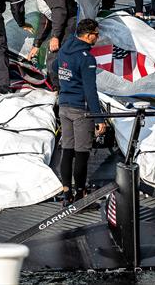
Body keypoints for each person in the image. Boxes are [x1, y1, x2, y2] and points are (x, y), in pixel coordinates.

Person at [56, 19, 107, 204]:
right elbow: (90, 90)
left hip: (64, 106)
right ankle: (80, 194)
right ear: (88, 35)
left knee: (67, 150)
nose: (98, 37)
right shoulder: (86, 58)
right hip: (80, 110)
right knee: (82, 152)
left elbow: (55, 69)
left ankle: (66, 192)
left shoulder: (65, 49)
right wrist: (99, 119)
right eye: (96, 34)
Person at [22, 0, 78, 89]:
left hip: (69, 24)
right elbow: (45, 19)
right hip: (63, 24)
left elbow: (59, 11)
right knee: (53, 59)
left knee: (54, 61)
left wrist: (55, 37)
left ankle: (59, 90)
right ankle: (57, 87)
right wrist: (37, 44)